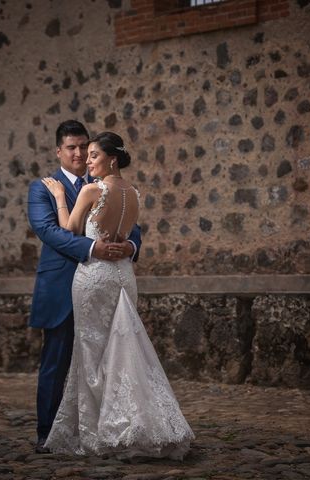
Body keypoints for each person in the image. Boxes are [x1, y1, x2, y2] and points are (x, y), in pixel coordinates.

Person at [41, 131, 194, 459]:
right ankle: (134, 422)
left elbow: (68, 228)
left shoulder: (91, 189)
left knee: (91, 352)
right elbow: (128, 235)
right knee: (124, 347)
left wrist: (58, 197)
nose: (87, 161)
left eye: (93, 155)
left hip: (95, 276)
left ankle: (100, 432)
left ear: (111, 159)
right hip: (123, 275)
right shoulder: (134, 192)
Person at [27, 120, 142, 454]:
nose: (79, 154)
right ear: (59, 151)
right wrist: (93, 248)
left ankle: (105, 428)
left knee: (107, 359)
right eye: (72, 148)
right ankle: (49, 433)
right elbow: (50, 231)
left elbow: (133, 228)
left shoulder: (105, 184)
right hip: (65, 286)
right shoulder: (43, 187)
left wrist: (130, 248)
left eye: (84, 147)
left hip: (100, 287)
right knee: (57, 361)